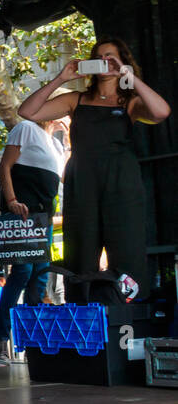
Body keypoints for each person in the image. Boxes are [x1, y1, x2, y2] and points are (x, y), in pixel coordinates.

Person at [18, 39, 170, 295]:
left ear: (122, 60)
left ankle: (127, 317)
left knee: (127, 247)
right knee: (80, 250)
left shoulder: (130, 102)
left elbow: (161, 112)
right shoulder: (76, 100)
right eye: (99, 57)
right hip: (83, 181)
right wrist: (60, 79)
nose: (104, 62)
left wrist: (127, 75)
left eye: (110, 57)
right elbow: (28, 112)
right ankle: (83, 316)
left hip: (121, 181)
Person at [0, 116, 68, 362]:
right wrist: (11, 201)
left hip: (42, 218)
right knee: (23, 271)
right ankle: (0, 337)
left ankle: (33, 339)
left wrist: (68, 137)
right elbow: (4, 167)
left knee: (40, 274)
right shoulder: (26, 129)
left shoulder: (55, 144)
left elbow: (64, 176)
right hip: (23, 213)